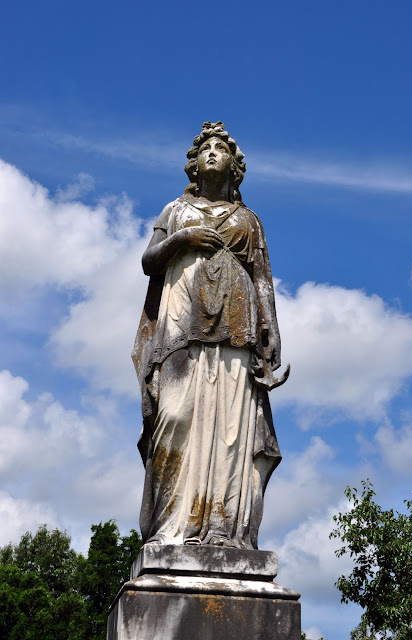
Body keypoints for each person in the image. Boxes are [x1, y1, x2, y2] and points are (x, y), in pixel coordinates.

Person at [132, 121, 284, 549]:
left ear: (235, 167)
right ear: (194, 165)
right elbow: (149, 262)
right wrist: (182, 238)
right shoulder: (174, 211)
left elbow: (263, 279)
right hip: (182, 323)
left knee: (231, 431)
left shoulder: (249, 220)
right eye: (206, 148)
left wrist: (270, 331)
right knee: (175, 417)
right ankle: (168, 530)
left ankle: (222, 527)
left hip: (238, 327)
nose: (213, 152)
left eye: (222, 148)